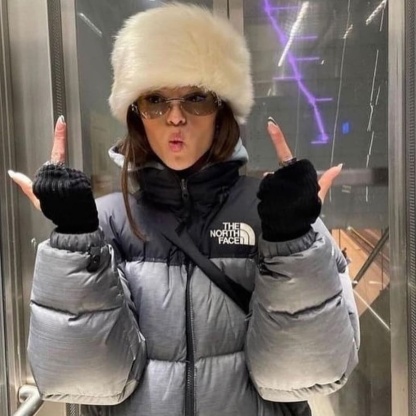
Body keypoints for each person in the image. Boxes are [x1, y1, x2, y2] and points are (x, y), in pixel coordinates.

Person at [9, 3, 360, 416]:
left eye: (196, 98)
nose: (175, 117)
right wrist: (73, 241)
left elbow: (310, 372)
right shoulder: (104, 223)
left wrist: (293, 243)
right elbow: (85, 380)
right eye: (156, 100)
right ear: (137, 115)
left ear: (221, 110)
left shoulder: (276, 213)